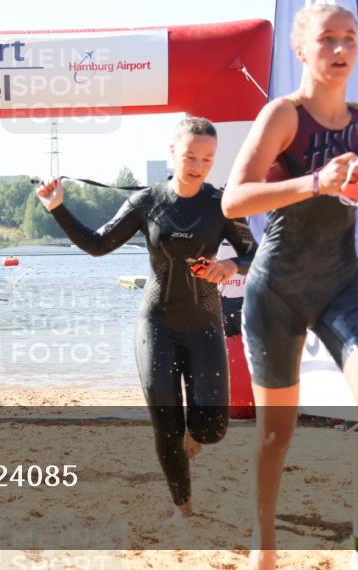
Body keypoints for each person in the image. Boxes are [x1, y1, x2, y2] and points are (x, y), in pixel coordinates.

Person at [220, 3, 358, 570]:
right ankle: (264, 547)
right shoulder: (283, 115)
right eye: (327, 39)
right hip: (277, 289)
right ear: (301, 50)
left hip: (341, 283)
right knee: (274, 437)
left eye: (350, 39)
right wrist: (312, 182)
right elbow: (234, 200)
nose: (340, 50)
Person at [35, 117, 257, 521]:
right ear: (172, 153)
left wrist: (230, 265)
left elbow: (255, 254)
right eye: (190, 156)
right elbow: (98, 245)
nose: (198, 165)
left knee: (212, 429)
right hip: (156, 324)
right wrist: (57, 208)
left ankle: (195, 436)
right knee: (166, 423)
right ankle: (183, 508)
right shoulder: (146, 202)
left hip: (206, 323)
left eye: (207, 158)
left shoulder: (221, 203)